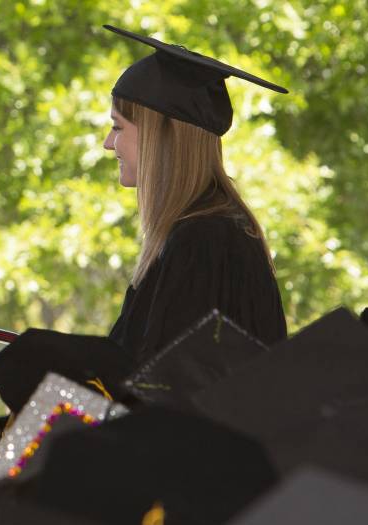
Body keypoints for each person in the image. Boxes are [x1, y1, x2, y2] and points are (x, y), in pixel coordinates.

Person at [101, 25, 288, 362]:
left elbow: (167, 384)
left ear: (161, 137)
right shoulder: (206, 228)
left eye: (117, 127)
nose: (108, 143)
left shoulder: (204, 239)